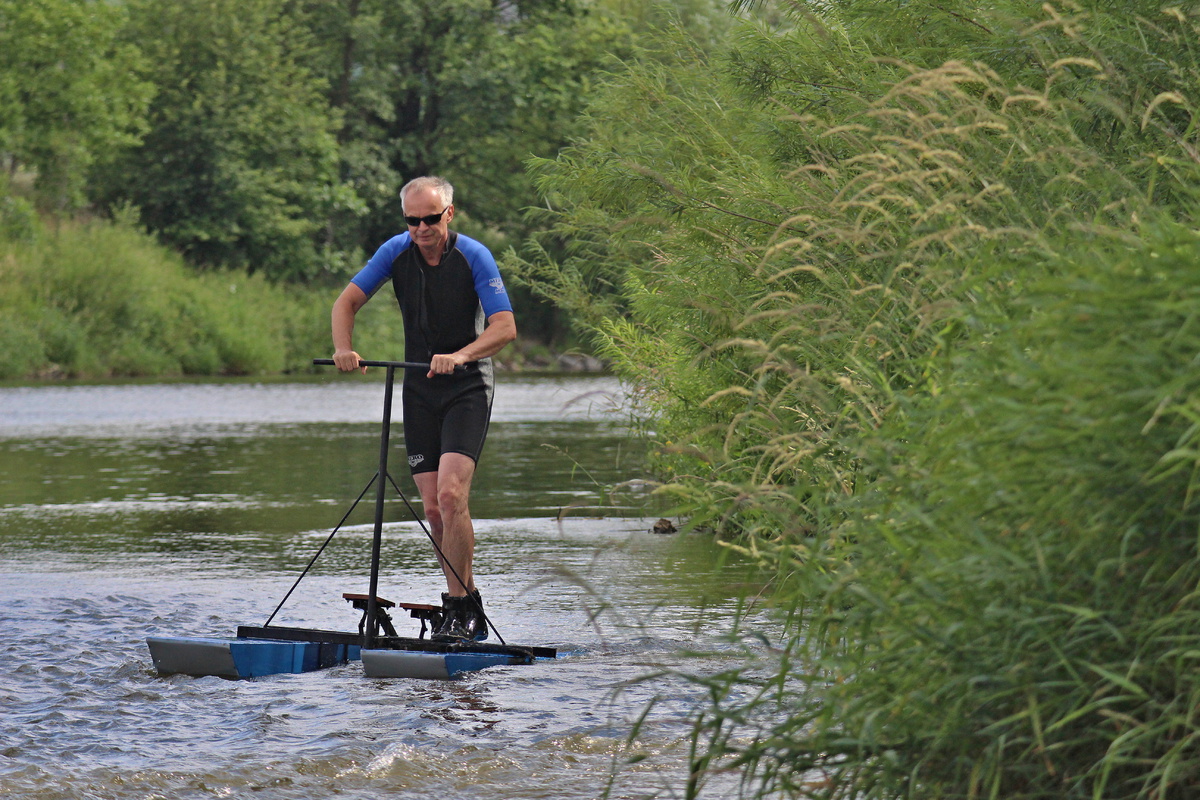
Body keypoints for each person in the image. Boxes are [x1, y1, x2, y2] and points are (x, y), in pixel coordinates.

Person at [331, 176, 516, 641]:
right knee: (433, 508)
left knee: (453, 496)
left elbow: (505, 327)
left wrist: (461, 355)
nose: (420, 229)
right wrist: (343, 348)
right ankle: (465, 602)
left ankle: (457, 605)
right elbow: (347, 302)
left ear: (448, 214)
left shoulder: (474, 255)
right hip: (418, 390)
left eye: (430, 219)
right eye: (412, 221)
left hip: (467, 388)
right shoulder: (395, 251)